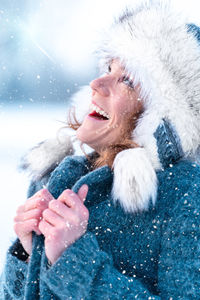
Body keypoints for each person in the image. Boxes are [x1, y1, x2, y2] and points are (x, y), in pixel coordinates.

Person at [1, 1, 200, 299]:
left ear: (161, 115)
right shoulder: (53, 176)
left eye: (127, 80)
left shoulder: (184, 194)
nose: (96, 83)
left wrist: (74, 261)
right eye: (108, 67)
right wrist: (30, 252)